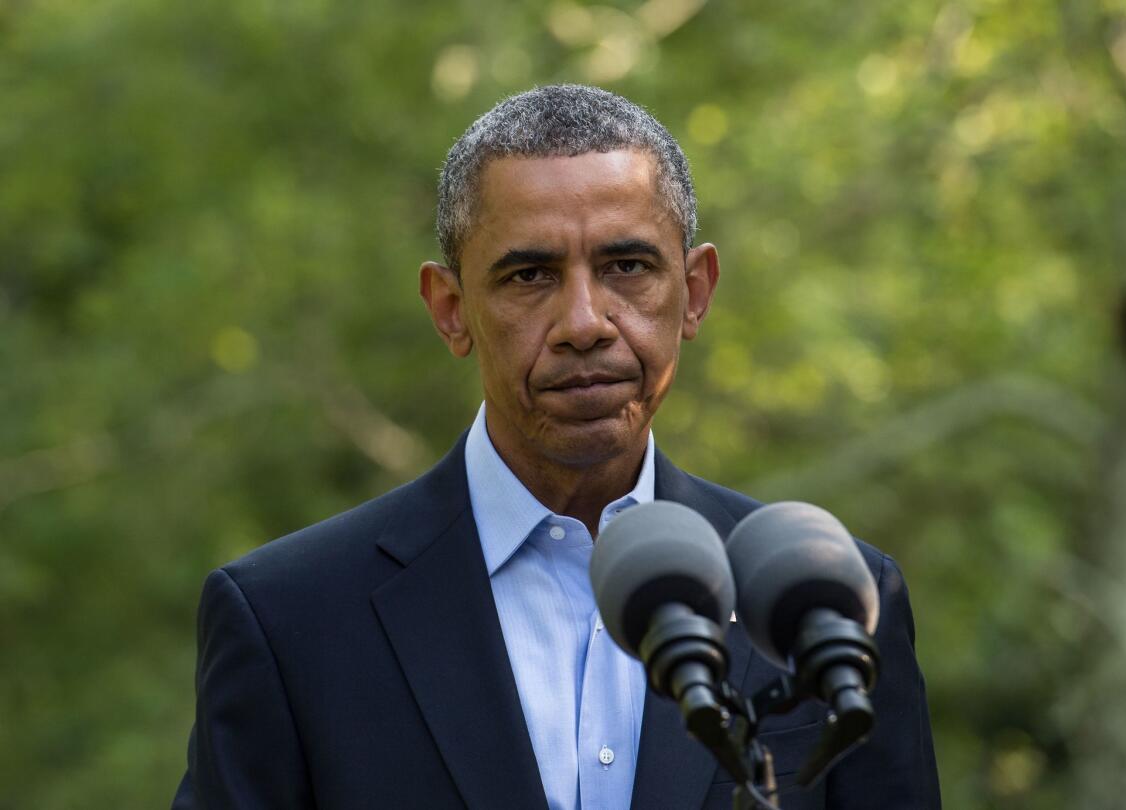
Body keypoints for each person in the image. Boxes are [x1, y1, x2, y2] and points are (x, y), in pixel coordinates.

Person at [172, 84, 939, 810]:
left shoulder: (830, 600)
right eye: (530, 275)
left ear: (695, 292)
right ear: (451, 309)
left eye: (627, 267)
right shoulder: (289, 619)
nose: (584, 322)